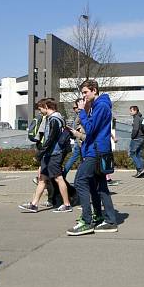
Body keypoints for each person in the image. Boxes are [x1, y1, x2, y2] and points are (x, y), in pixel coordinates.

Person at [66, 80, 118, 236]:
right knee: (100, 186)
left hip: (95, 151)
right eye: (82, 93)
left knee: (80, 180)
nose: (83, 96)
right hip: (97, 150)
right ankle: (107, 219)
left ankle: (87, 221)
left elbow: (90, 129)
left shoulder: (101, 106)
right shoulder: (98, 105)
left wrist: (82, 111)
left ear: (94, 90)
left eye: (85, 92)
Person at [19, 98, 73, 213]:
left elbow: (50, 139)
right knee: (42, 179)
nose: (40, 111)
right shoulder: (56, 118)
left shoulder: (54, 119)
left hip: (53, 153)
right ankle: (34, 204)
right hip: (51, 153)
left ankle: (67, 204)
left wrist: (40, 153)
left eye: (41, 108)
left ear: (47, 107)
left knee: (58, 178)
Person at [63, 100, 84, 178]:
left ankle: (81, 177)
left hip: (79, 139)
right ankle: (63, 174)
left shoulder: (79, 114)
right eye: (73, 108)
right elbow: (76, 127)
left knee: (81, 159)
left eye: (75, 107)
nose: (74, 109)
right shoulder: (79, 115)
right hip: (80, 140)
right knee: (75, 158)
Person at [129, 105, 144, 178]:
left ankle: (140, 169)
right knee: (139, 154)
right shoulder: (140, 118)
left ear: (135, 111)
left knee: (132, 153)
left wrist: (132, 136)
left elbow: (135, 129)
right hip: (142, 138)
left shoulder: (136, 118)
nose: (130, 112)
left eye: (131, 111)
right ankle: (141, 172)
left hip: (137, 138)